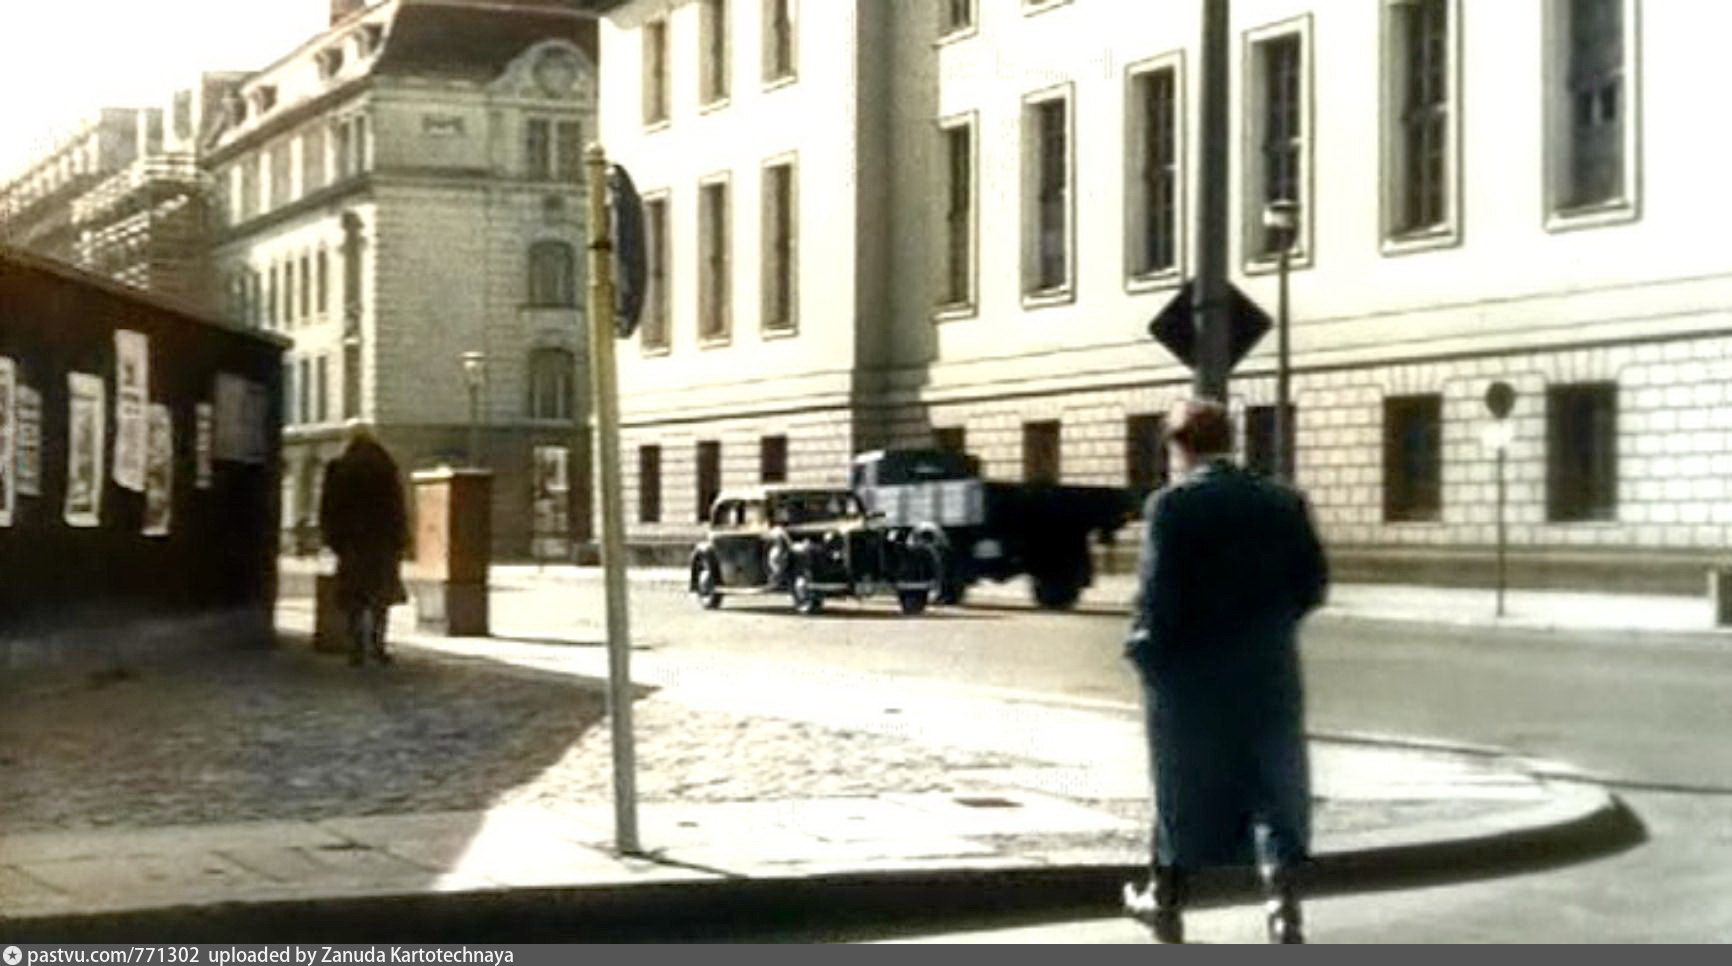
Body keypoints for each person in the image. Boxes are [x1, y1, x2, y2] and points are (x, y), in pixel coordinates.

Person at [1121, 398, 1328, 944]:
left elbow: (1159, 597)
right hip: (1268, 673)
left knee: (1179, 787)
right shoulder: (1282, 501)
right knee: (1273, 790)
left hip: (1192, 680)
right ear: (1228, 439)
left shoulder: (1172, 507)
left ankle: (1165, 900)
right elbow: (1313, 584)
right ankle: (1283, 907)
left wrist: (1144, 651)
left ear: (1178, 447)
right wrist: (1269, 629)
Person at [319, 422, 409, 667]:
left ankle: (356, 648)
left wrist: (333, 540)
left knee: (354, 599)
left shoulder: (339, 468)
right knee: (380, 598)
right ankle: (378, 645)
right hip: (382, 543)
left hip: (352, 543)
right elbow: (397, 506)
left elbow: (329, 508)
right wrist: (400, 540)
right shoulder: (386, 467)